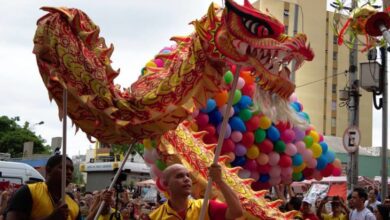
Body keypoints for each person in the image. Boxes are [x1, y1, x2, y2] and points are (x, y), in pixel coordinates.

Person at [148, 163, 243, 220]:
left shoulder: (205, 206)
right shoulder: (154, 217)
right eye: (179, 176)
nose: (186, 179)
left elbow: (236, 212)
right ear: (166, 184)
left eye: (188, 176)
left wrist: (219, 181)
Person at [5, 154, 81, 220]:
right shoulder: (28, 192)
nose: (69, 172)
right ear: (48, 170)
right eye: (63, 168)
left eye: (71, 169)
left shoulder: (73, 205)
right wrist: (52, 218)